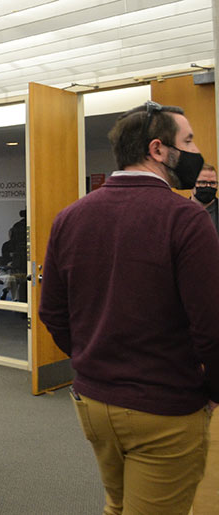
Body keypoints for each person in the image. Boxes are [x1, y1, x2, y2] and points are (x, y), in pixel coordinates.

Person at [39, 102, 219, 514]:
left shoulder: (70, 217)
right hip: (165, 408)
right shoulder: (187, 218)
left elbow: (52, 312)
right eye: (188, 141)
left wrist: (90, 360)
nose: (195, 152)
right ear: (158, 149)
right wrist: (213, 391)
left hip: (93, 403)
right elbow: (211, 327)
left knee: (119, 506)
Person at [192, 163, 218, 233]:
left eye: (212, 183)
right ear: (192, 184)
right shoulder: (180, 212)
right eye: (202, 182)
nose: (208, 186)